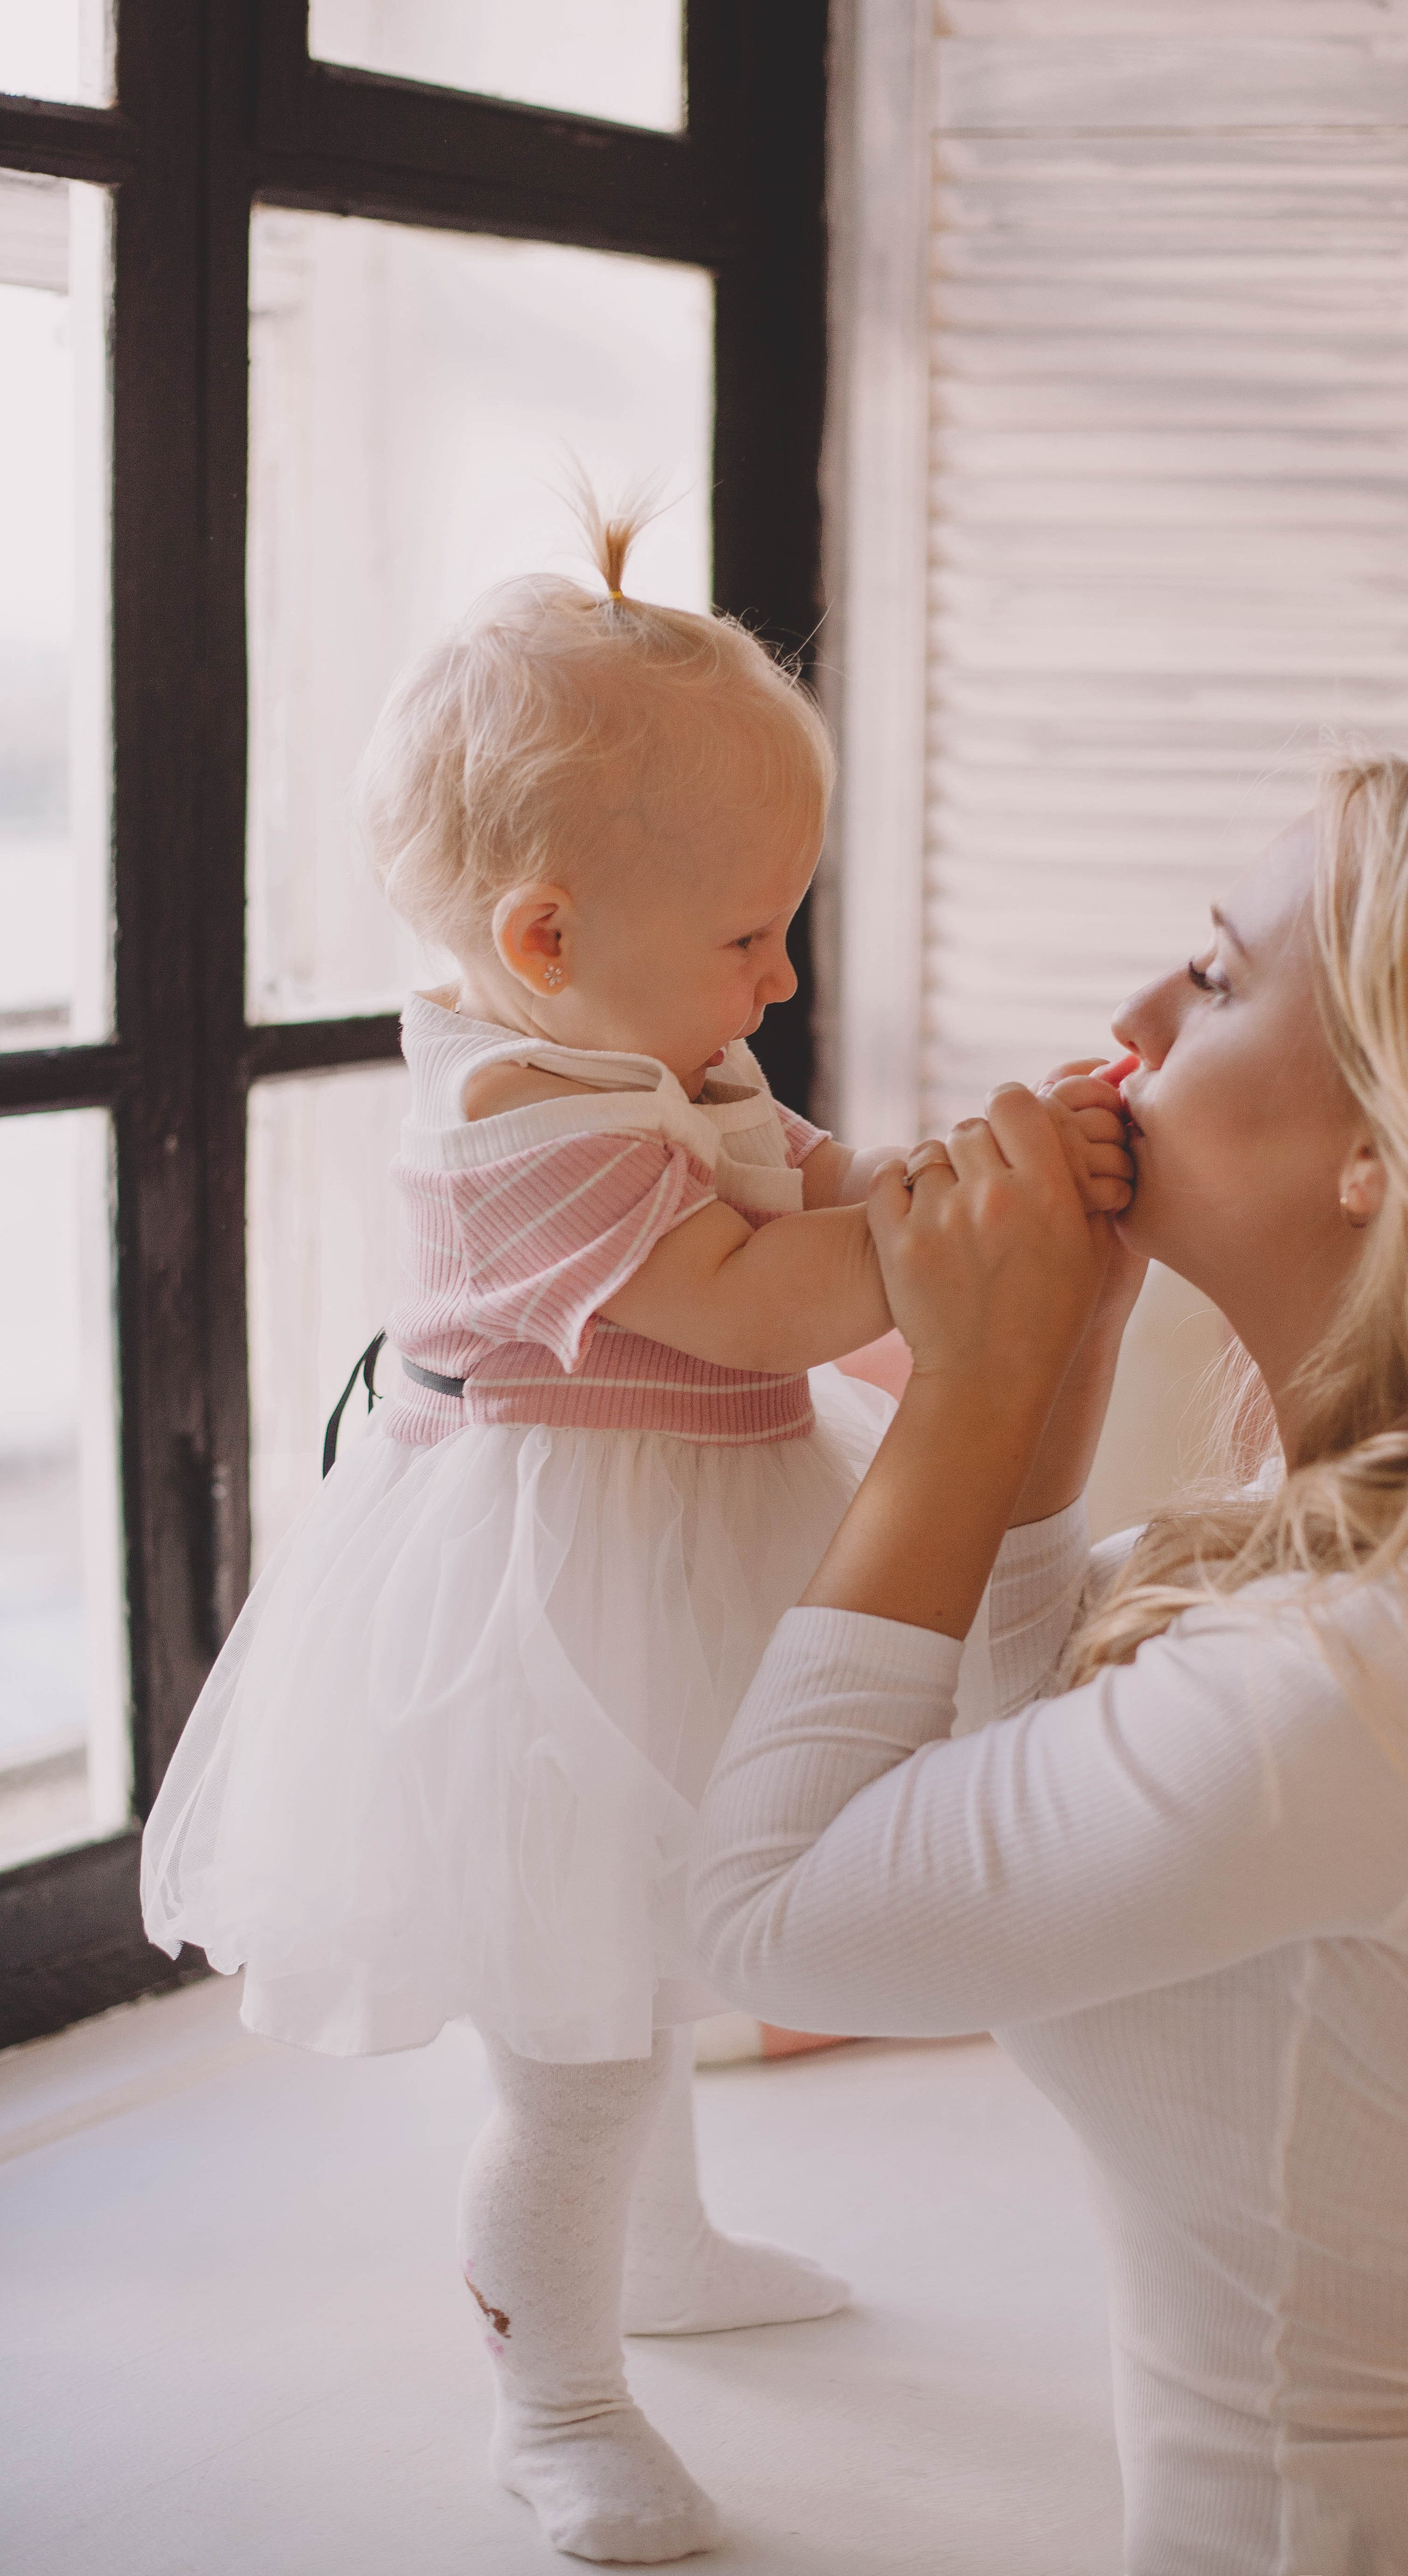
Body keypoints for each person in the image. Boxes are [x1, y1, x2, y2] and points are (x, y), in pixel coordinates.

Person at [138, 496, 1131, 2567]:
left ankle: (662, 2260)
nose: (782, 974)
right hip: (550, 1602)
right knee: (577, 2043)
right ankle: (558, 2395)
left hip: (698, 1548)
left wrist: (965, 1177)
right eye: (751, 935)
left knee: (663, 1941)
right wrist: (958, 1254)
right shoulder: (515, 1120)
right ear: (544, 943)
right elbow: (758, 1296)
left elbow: (814, 1184)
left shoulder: (672, 1043)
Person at [692, 752, 1408, 2575]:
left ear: (1391, 1144)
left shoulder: (1377, 1677)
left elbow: (767, 1914)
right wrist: (1060, 1356)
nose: (1133, 1018)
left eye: (1218, 975)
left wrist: (975, 1380)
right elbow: (1032, 1772)